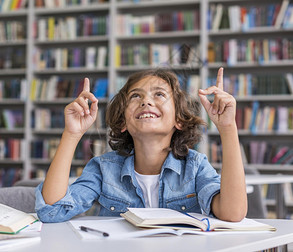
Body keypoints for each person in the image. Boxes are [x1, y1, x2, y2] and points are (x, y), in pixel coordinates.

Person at [35, 67, 247, 223]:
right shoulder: (104, 168)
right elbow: (51, 210)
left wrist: (228, 128)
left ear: (179, 120)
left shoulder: (195, 166)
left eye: (159, 94)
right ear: (123, 122)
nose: (146, 101)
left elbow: (233, 213)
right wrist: (72, 134)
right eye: (135, 96)